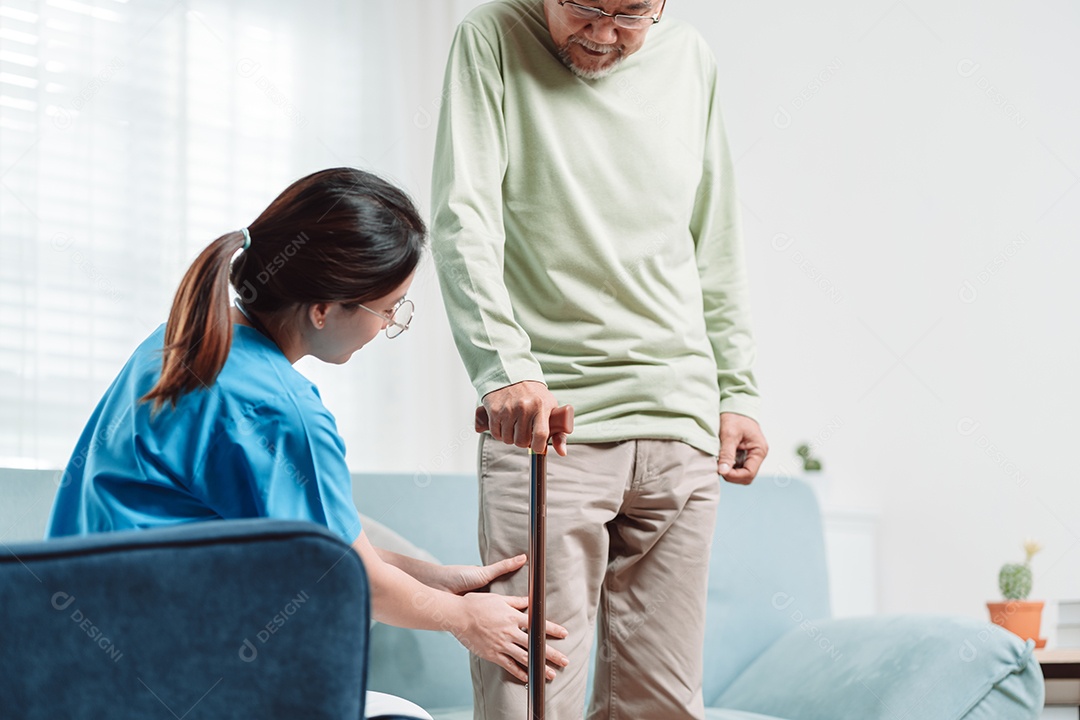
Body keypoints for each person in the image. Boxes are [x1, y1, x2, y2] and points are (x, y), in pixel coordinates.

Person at [46, 167, 568, 683]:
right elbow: (342, 574)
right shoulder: (281, 408)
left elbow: (320, 544)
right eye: (387, 310)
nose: (388, 325)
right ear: (322, 310)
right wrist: (465, 621)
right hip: (167, 672)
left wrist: (438, 582)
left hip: (80, 656)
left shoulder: (179, 342)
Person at [430, 1, 769, 718]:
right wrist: (503, 367)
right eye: (585, 7)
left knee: (663, 705)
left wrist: (736, 388)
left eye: (633, 13)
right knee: (532, 699)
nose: (605, 32)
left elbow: (716, 236)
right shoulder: (491, 35)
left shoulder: (690, 58)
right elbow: (466, 214)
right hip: (550, 422)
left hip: (681, 421)